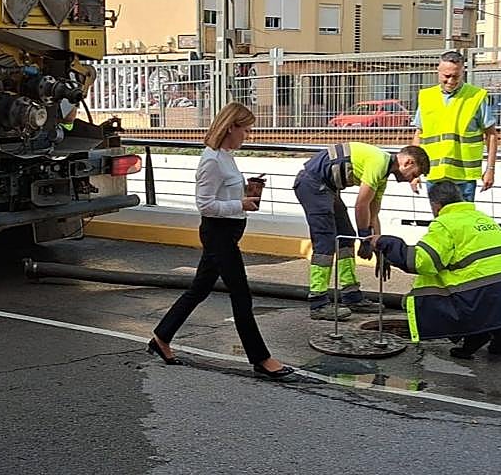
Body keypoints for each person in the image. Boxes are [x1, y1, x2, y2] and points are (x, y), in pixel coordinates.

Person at [148, 103, 295, 380]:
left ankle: (161, 337)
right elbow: (205, 205)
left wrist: (247, 193)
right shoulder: (211, 160)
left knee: (199, 290)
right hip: (219, 234)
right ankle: (261, 358)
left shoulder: (226, 155)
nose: (248, 135)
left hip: (228, 231)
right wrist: (239, 204)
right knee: (241, 294)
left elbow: (223, 195)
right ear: (231, 127)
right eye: (246, 129)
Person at [371, 181, 501, 358]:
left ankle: (476, 335)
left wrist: (386, 243)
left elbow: (422, 261)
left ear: (436, 205)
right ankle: (498, 338)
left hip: (485, 296)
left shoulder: (444, 223)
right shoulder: (482, 218)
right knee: (481, 279)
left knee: (438, 283)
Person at [293, 142, 430, 320]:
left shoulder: (382, 175)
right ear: (408, 163)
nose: (412, 179)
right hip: (312, 184)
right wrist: (365, 238)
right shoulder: (379, 162)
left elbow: (373, 214)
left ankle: (351, 296)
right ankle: (318, 303)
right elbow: (361, 205)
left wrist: (379, 247)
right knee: (325, 242)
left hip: (325, 187)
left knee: (346, 239)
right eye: (414, 174)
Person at [412, 51, 498, 202]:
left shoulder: (476, 96)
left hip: (463, 177)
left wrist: (490, 169)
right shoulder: (426, 97)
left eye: (456, 76)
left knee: (463, 220)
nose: (451, 80)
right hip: (434, 174)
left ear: (463, 72)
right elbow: (419, 134)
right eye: (446, 76)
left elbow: (491, 135)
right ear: (438, 71)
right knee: (441, 221)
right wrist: (414, 171)